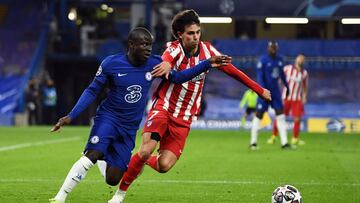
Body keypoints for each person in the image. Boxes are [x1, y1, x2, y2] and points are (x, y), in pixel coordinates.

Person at [49, 27, 231, 203]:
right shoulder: (111, 63)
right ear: (131, 44)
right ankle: (60, 197)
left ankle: (103, 155)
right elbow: (92, 90)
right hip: (109, 117)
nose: (148, 49)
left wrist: (207, 64)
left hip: (129, 128)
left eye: (150, 45)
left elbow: (178, 78)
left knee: (112, 179)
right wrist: (71, 115)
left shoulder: (153, 64)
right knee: (93, 154)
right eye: (143, 44)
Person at [108, 9, 271, 203]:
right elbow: (168, 61)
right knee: (145, 150)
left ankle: (138, 161)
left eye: (198, 32)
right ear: (180, 35)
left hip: (184, 118)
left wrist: (259, 89)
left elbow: (233, 71)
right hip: (163, 107)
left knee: (164, 166)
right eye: (191, 33)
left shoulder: (209, 51)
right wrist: (167, 64)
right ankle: (119, 196)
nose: (195, 37)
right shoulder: (173, 49)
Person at [249, 41, 290, 150]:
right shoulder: (262, 60)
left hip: (276, 92)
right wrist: (262, 91)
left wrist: (287, 86)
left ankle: (284, 143)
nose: (273, 49)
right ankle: (253, 142)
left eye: (275, 47)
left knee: (281, 115)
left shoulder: (280, 60)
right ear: (268, 48)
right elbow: (260, 77)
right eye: (272, 47)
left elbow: (282, 76)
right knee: (259, 115)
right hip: (265, 92)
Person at [267, 54, 309, 146]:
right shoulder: (287, 69)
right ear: (296, 59)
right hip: (286, 98)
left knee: (297, 119)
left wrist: (304, 97)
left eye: (303, 59)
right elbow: (279, 79)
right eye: (300, 58)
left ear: (304, 61)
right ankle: (274, 136)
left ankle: (295, 138)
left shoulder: (304, 73)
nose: (301, 60)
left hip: (297, 99)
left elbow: (305, 86)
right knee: (279, 117)